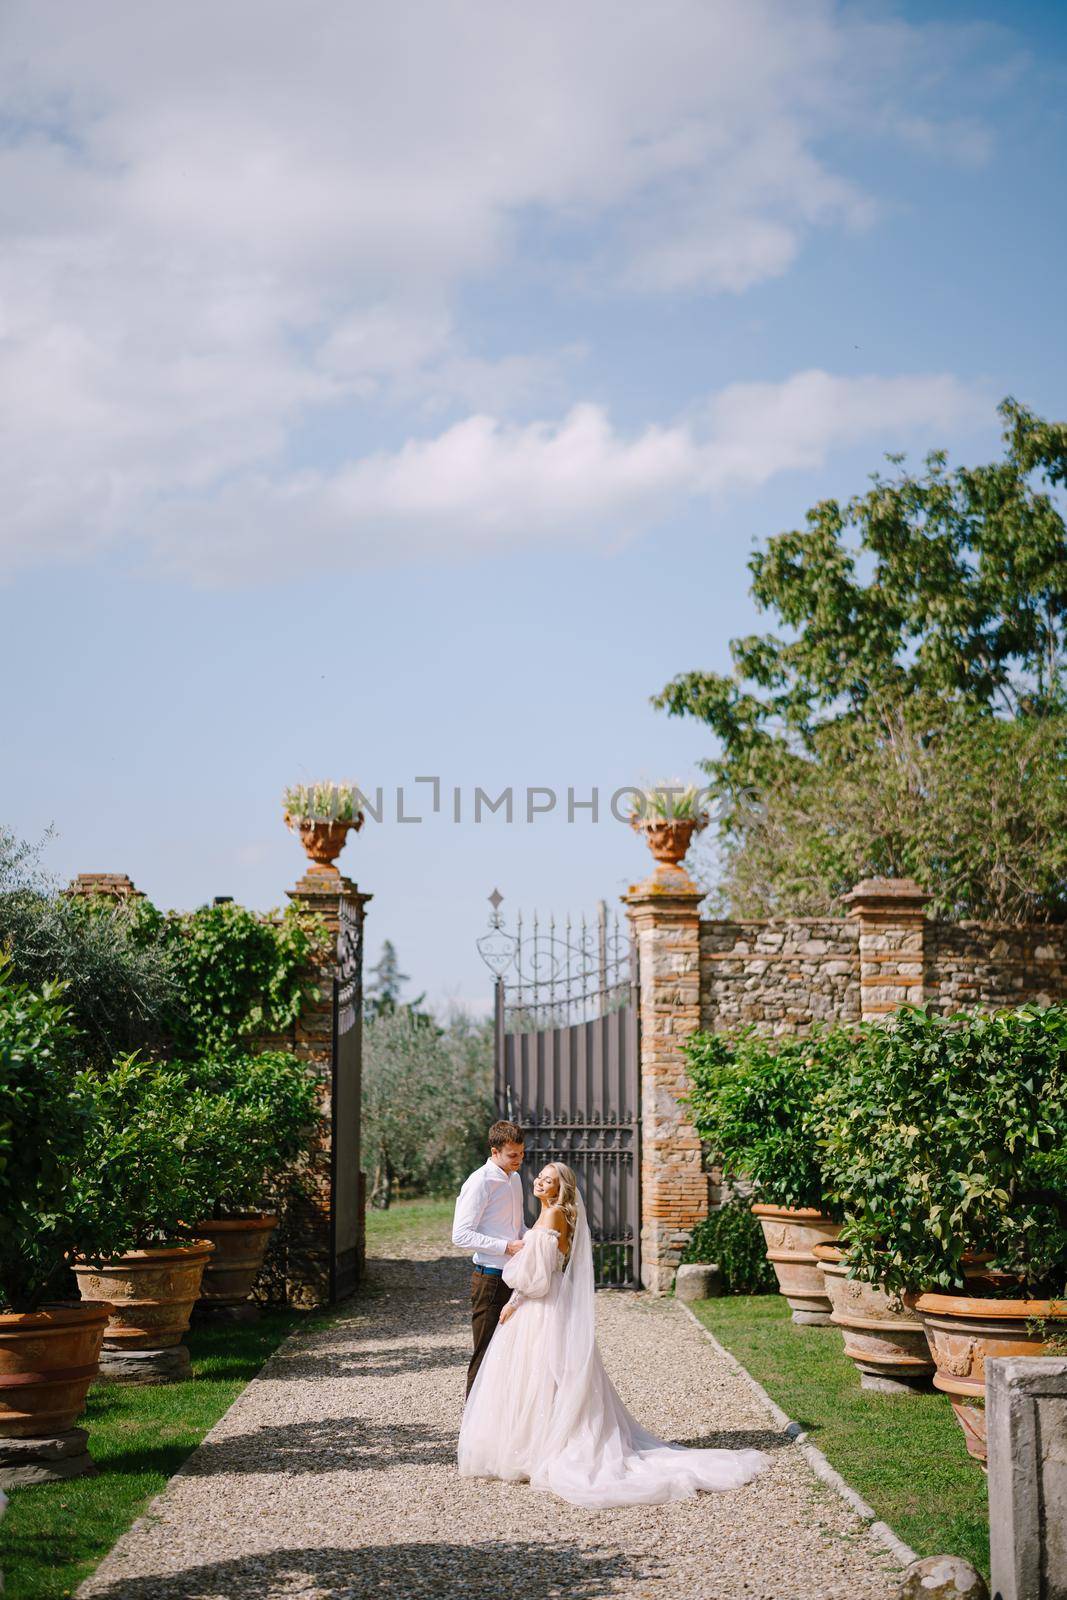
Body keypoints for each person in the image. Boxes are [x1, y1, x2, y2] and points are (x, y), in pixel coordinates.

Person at [457, 1161, 770, 1509]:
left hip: (540, 1306)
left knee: (543, 1374)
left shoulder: (552, 1217)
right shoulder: (549, 1214)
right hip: (545, 1304)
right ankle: (529, 1444)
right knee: (538, 1376)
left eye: (547, 1180)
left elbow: (539, 1277)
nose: (539, 1182)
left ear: (559, 1188)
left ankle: (541, 1447)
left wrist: (513, 1300)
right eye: (540, 1177)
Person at [451, 1119, 527, 1397]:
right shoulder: (479, 1181)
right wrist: (506, 1246)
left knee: (511, 1353)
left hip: (516, 1277)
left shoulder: (515, 1178)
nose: (519, 1159)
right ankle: (472, 1424)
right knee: (485, 1352)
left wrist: (540, 1237)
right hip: (489, 1278)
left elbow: (516, 1227)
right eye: (512, 1155)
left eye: (522, 1153)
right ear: (495, 1151)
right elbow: (460, 1235)